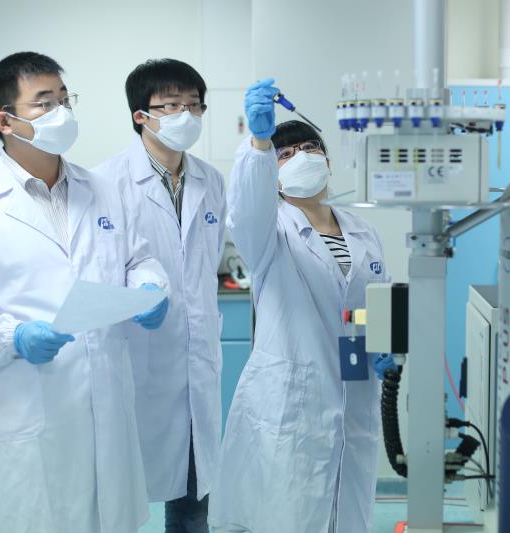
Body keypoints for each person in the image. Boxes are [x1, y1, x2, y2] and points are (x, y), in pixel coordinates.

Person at [0, 51, 170, 533]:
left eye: (65, 99)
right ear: (5, 120)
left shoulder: (103, 190)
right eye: (44, 103)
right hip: (28, 409)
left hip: (105, 409)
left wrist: (150, 287)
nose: (62, 113)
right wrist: (13, 337)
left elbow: (138, 259)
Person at [208, 79, 390, 533]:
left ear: (327, 161)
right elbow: (246, 207)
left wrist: (385, 343)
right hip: (294, 403)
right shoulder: (269, 231)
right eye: (285, 154)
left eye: (311, 148)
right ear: (272, 174)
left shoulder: (363, 231)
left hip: (356, 390)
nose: (302, 157)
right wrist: (259, 144)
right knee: (290, 515)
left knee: (348, 514)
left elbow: (374, 300)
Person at [93, 59, 226, 533]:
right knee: (116, 500)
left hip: (196, 363)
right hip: (135, 357)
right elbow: (101, 269)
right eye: (171, 105)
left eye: (194, 104)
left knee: (193, 499)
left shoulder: (211, 181)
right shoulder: (104, 183)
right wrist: (141, 293)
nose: (185, 115)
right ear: (141, 115)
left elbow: (208, 263)